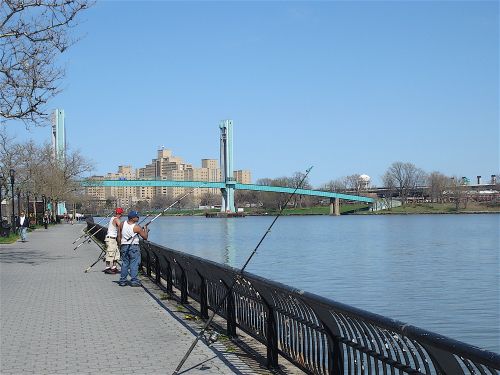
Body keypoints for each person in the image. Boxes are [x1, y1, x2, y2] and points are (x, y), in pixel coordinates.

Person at [118, 210, 148, 287]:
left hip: (124, 246)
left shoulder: (122, 224)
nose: (138, 218)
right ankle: (134, 280)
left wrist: (120, 245)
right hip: (134, 247)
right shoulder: (137, 227)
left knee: (125, 264)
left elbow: (119, 236)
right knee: (134, 264)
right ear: (132, 218)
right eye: (137, 217)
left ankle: (122, 281)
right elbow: (145, 237)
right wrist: (146, 230)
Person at [104, 207, 123, 274]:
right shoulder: (116, 219)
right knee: (110, 253)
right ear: (118, 213)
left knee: (116, 253)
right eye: (121, 214)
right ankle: (107, 268)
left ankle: (114, 267)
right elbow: (121, 226)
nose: (121, 215)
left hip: (113, 239)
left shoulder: (113, 218)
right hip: (110, 239)